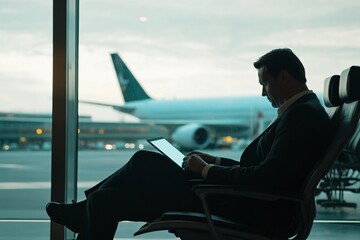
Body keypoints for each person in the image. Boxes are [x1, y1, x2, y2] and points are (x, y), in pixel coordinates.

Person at [46, 48, 332, 239]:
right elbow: (265, 170)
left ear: (284, 77)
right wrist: (214, 161)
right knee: (114, 195)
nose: (262, 93)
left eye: (265, 83)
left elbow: (267, 178)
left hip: (253, 209)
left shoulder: (301, 117)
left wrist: (206, 172)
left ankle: (84, 210)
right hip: (250, 201)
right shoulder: (303, 112)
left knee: (141, 163)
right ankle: (86, 209)